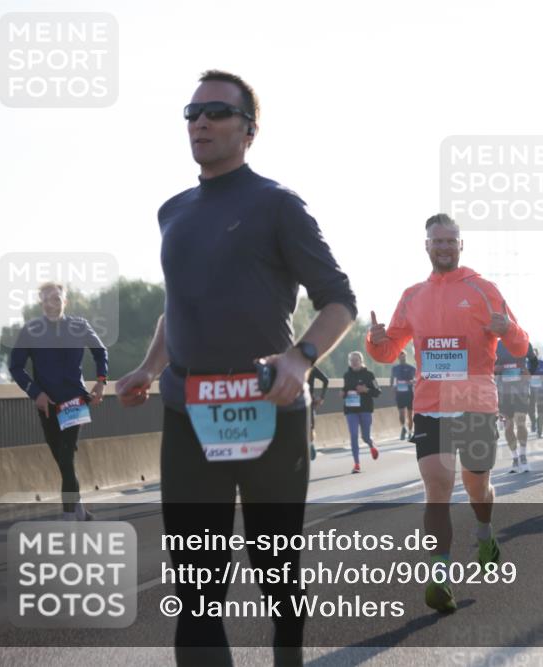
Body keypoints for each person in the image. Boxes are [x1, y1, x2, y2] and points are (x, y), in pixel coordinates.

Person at [114, 70, 356, 667]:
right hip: (188, 410)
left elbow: (339, 299)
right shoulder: (173, 210)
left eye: (217, 112)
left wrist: (301, 358)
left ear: (249, 131)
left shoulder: (277, 204)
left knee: (276, 569)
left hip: (267, 408)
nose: (200, 121)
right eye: (192, 113)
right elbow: (180, 305)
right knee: (196, 586)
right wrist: (147, 368)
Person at [366, 213, 529, 613]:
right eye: (436, 241)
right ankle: (440, 579)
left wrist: (506, 327)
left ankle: (486, 533)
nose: (444, 247)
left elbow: (521, 346)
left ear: (461, 244)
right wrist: (374, 341)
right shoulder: (412, 296)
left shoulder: (483, 289)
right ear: (426, 246)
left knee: (477, 489)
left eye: (450, 240)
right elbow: (389, 351)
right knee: (437, 489)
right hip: (431, 407)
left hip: (474, 404)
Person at [9, 282, 108, 522]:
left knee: (65, 455)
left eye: (56, 298)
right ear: (41, 303)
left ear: (65, 301)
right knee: (63, 460)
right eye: (46, 299)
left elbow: (100, 351)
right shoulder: (30, 330)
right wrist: (36, 393)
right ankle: (80, 510)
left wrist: (101, 381)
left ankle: (67, 517)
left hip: (75, 400)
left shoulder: (79, 326)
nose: (51, 302)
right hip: (47, 405)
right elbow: (16, 367)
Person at [495, 339, 538, 473]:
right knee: (508, 425)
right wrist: (494, 369)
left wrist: (530, 372)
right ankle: (515, 458)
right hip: (503, 391)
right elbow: (486, 363)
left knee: (521, 421)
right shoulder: (496, 344)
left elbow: (534, 360)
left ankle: (523, 456)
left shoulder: (524, 342)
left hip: (521, 390)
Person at [343, 351, 381, 472]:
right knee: (353, 436)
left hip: (365, 409)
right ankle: (356, 464)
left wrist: (366, 390)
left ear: (361, 361)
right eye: (352, 360)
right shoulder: (347, 375)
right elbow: (345, 389)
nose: (354, 362)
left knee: (365, 437)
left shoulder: (369, 375)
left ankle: (371, 445)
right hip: (350, 410)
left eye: (356, 360)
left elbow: (378, 391)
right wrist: (343, 393)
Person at [391, 350, 416, 440]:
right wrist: (394, 389)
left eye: (403, 356)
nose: (402, 358)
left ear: (405, 356)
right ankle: (403, 428)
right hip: (400, 394)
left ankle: (410, 431)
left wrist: (409, 382)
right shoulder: (395, 368)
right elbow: (393, 381)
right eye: (400, 356)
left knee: (410, 415)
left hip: (409, 393)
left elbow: (415, 380)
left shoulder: (411, 368)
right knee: (401, 414)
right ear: (398, 357)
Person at [527, 349, 543, 438]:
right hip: (530, 391)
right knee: (530, 410)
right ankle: (533, 422)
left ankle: (540, 431)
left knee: (541, 411)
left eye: (534, 353)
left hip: (541, 391)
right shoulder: (526, 364)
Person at [307, 364, 329, 460]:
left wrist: (321, 397)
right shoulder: (310, 366)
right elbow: (326, 380)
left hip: (307, 401)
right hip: (302, 400)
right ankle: (309, 445)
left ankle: (310, 445)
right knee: (309, 424)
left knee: (310, 425)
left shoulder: (311, 367)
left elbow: (326, 380)